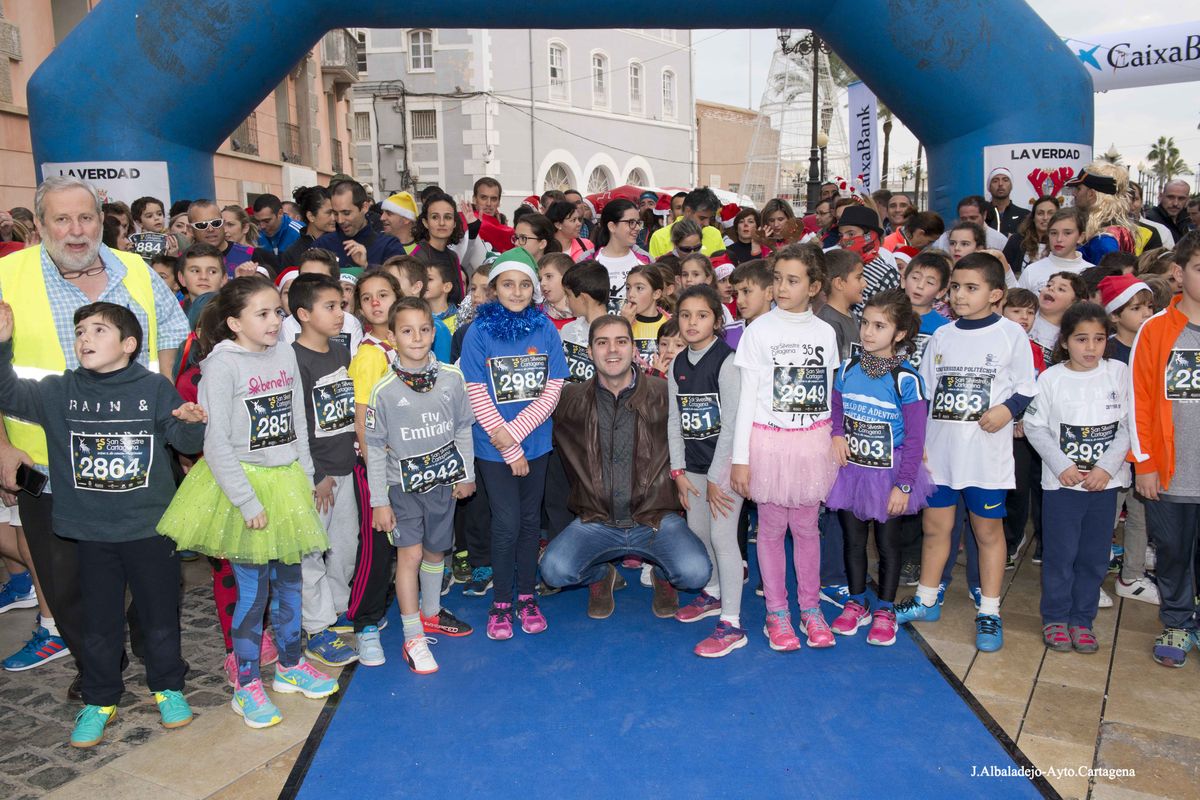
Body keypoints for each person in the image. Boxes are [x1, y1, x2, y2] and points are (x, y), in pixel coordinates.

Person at [0, 177, 188, 695]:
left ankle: (157, 653)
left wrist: (166, 409)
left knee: (156, 575)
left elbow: (169, 337)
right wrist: (1, 446)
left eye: (86, 218)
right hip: (46, 464)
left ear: (101, 220)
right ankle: (98, 671)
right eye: (61, 220)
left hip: (140, 465)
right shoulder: (6, 276)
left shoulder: (133, 268)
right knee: (67, 584)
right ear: (39, 225)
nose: (76, 231)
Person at [0, 301, 204, 746]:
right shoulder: (58, 391)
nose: (84, 338)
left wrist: (191, 423)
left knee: (159, 615)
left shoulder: (153, 388)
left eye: (97, 330)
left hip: (151, 529)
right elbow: (7, 392)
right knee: (98, 618)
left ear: (129, 345)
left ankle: (167, 687)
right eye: (79, 331)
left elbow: (183, 440)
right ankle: (100, 697)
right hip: (90, 533)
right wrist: (2, 347)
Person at [157, 276, 336, 728]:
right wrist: (246, 501)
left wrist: (306, 479)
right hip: (244, 486)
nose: (275, 321)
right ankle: (247, 684)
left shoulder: (284, 354)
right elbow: (215, 443)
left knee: (291, 584)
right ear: (234, 322)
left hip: (286, 481)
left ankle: (291, 666)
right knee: (253, 595)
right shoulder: (221, 366)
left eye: (277, 311)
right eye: (263, 313)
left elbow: (298, 418)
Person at [895, 253, 1037, 653]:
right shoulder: (942, 335)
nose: (959, 295)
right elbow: (923, 395)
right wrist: (918, 445)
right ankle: (926, 599)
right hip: (940, 456)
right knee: (936, 529)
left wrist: (1007, 410)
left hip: (985, 458)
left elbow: (1027, 386)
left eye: (970, 288)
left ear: (996, 294)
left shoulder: (1011, 335)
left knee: (987, 532)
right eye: (955, 286)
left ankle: (989, 610)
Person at [540, 314, 711, 618]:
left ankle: (662, 574)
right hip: (597, 520)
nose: (612, 350)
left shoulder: (665, 394)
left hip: (655, 519)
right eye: (602, 343)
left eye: (621, 341)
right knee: (553, 570)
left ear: (634, 349)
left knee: (696, 572)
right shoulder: (569, 400)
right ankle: (602, 575)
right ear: (590, 351)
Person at [730, 243, 840, 652]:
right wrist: (741, 460)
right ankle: (776, 613)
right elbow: (747, 400)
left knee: (808, 529)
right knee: (772, 530)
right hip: (769, 445)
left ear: (814, 287)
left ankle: (810, 609)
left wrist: (832, 440)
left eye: (792, 281)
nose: (781, 288)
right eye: (777, 279)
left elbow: (829, 394)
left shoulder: (825, 333)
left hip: (811, 445)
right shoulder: (759, 331)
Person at [460, 248, 568, 639]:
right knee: (505, 523)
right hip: (492, 448)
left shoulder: (545, 329)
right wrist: (507, 447)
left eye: (525, 284)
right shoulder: (478, 332)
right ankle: (501, 602)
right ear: (494, 288)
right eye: (508, 284)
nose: (517, 291)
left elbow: (553, 387)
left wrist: (517, 437)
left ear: (535, 289)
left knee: (527, 523)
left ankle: (527, 596)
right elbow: (475, 391)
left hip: (535, 445)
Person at [366, 297, 476, 673]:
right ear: (393, 336)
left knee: (436, 552)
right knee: (409, 557)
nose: (417, 337)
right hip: (401, 489)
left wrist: (466, 473)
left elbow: (463, 427)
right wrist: (380, 501)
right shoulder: (383, 390)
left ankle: (430, 613)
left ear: (434, 331)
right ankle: (412, 635)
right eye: (407, 330)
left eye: (424, 329)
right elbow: (375, 449)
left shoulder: (452, 378)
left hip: (442, 484)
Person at [826, 289, 934, 646]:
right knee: (853, 542)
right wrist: (837, 435)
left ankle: (885, 607)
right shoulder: (846, 369)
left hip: (891, 474)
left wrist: (904, 486)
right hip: (852, 472)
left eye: (879, 326)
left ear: (899, 334)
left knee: (888, 544)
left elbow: (916, 439)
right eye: (865, 323)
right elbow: (837, 409)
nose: (868, 332)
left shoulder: (907, 379)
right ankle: (858, 601)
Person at [1024, 302, 1130, 654]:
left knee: (1094, 556)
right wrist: (1061, 465)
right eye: (1081, 339)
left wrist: (1106, 468)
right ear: (1065, 341)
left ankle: (1082, 620)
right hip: (1063, 486)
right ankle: (1055, 617)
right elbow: (1036, 428)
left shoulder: (1118, 373)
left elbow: (1128, 427)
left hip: (1104, 485)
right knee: (1061, 553)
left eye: (1099, 339)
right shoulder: (1051, 378)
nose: (1091, 347)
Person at [1129, 231, 1200, 667]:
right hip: (1171, 472)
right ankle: (1177, 619)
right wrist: (1146, 464)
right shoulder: (1155, 331)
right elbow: (1138, 399)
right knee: (1172, 550)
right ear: (1179, 272)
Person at [287, 275, 360, 670]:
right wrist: (315, 473)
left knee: (345, 545)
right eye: (329, 307)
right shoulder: (293, 360)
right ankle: (316, 627)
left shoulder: (338, 352)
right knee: (312, 552)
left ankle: (335, 609)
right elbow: (297, 425)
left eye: (341, 305)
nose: (339, 312)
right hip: (317, 475)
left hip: (344, 466)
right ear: (303, 314)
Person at [667, 286, 745, 656]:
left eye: (701, 315)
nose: (692, 322)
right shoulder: (677, 363)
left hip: (725, 471)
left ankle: (732, 622)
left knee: (723, 539)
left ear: (717, 319)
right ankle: (712, 593)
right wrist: (678, 471)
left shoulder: (727, 362)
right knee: (698, 533)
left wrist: (717, 478)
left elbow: (731, 425)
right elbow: (674, 419)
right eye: (685, 315)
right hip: (694, 469)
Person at [1096, 275, 1158, 604]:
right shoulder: (1105, 349)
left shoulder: (1159, 344)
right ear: (1116, 315)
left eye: (1149, 306)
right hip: (1112, 449)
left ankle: (1131, 575)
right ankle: (1092, 576)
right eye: (1136, 308)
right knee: (1105, 515)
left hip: (1146, 447)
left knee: (1141, 512)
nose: (1146, 313)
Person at [279, 249, 364, 355]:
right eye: (305, 278)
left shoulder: (350, 323)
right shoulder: (288, 326)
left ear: (335, 283)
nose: (311, 286)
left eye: (320, 280)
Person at [311, 180, 408, 271]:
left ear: (364, 207)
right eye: (336, 213)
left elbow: (401, 283)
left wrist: (366, 266)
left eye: (346, 213)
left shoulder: (388, 246)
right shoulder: (322, 245)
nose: (340, 220)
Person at [582, 198, 651, 311]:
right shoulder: (588, 261)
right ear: (612, 226)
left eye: (638, 222)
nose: (637, 228)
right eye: (631, 223)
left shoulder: (645, 261)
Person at [1064, 164, 1137, 264]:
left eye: (1079, 189)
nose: (1074, 194)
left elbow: (1104, 278)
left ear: (1091, 194)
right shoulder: (1119, 231)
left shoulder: (1103, 241)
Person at [837, 205, 900, 317]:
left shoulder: (886, 274)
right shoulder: (839, 265)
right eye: (841, 235)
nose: (844, 240)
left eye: (851, 234)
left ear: (870, 236)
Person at [187, 199, 273, 278]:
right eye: (202, 225)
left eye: (216, 223)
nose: (210, 229)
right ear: (190, 230)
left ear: (223, 224)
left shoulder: (250, 255)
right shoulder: (185, 260)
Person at [1019, 207, 1091, 294]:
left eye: (1067, 233)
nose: (1059, 239)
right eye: (1054, 233)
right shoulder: (1031, 271)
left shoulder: (1091, 273)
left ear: (1080, 237)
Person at [560, 260, 609, 384]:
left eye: (568, 295)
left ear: (582, 298)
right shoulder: (568, 330)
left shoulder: (617, 331)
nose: (566, 301)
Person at [648, 187, 725, 260]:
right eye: (702, 218)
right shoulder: (659, 237)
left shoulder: (715, 234)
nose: (707, 223)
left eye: (710, 218)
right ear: (688, 211)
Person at [816, 249, 865, 360]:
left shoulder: (851, 315)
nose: (864, 284)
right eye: (859, 277)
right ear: (839, 283)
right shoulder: (829, 322)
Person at [280, 186, 337, 268]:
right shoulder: (292, 253)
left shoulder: (344, 243)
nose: (334, 218)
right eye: (329, 213)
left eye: (335, 212)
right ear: (311, 216)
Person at [1002, 195, 1059, 276]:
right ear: (1033, 217)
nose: (1045, 217)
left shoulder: (1061, 243)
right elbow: (1003, 270)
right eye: (1040, 213)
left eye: (1050, 213)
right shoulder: (1016, 240)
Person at [727, 258, 774, 350]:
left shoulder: (786, 331)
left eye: (746, 291)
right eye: (736, 294)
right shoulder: (726, 334)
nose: (739, 301)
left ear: (769, 293)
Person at [932, 196, 1008, 251]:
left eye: (973, 218)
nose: (968, 222)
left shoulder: (999, 240)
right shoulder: (945, 238)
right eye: (963, 219)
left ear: (984, 215)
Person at [175, 243, 226, 311]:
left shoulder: (235, 314)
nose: (203, 277)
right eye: (195, 271)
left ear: (223, 279)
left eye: (212, 272)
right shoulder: (173, 314)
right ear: (182, 278)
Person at [1143, 179, 1192, 244]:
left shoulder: (1187, 220)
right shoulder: (1149, 219)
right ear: (1161, 196)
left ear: (1187, 199)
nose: (1175, 203)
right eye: (1171, 197)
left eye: (1181, 198)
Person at [985, 167, 1030, 237]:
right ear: (989, 187)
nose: (1000, 184)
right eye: (995, 181)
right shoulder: (982, 214)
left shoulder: (1025, 215)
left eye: (1005, 180)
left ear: (1011, 186)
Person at [538, 252, 575, 329]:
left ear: (567, 277)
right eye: (540, 279)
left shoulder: (582, 316)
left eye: (549, 276)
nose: (542, 283)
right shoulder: (535, 314)